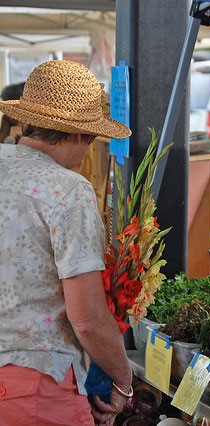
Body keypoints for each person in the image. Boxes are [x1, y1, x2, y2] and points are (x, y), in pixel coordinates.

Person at [0, 60, 133, 425]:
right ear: (78, 135)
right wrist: (123, 378)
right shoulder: (68, 189)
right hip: (36, 386)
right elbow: (87, 319)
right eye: (91, 139)